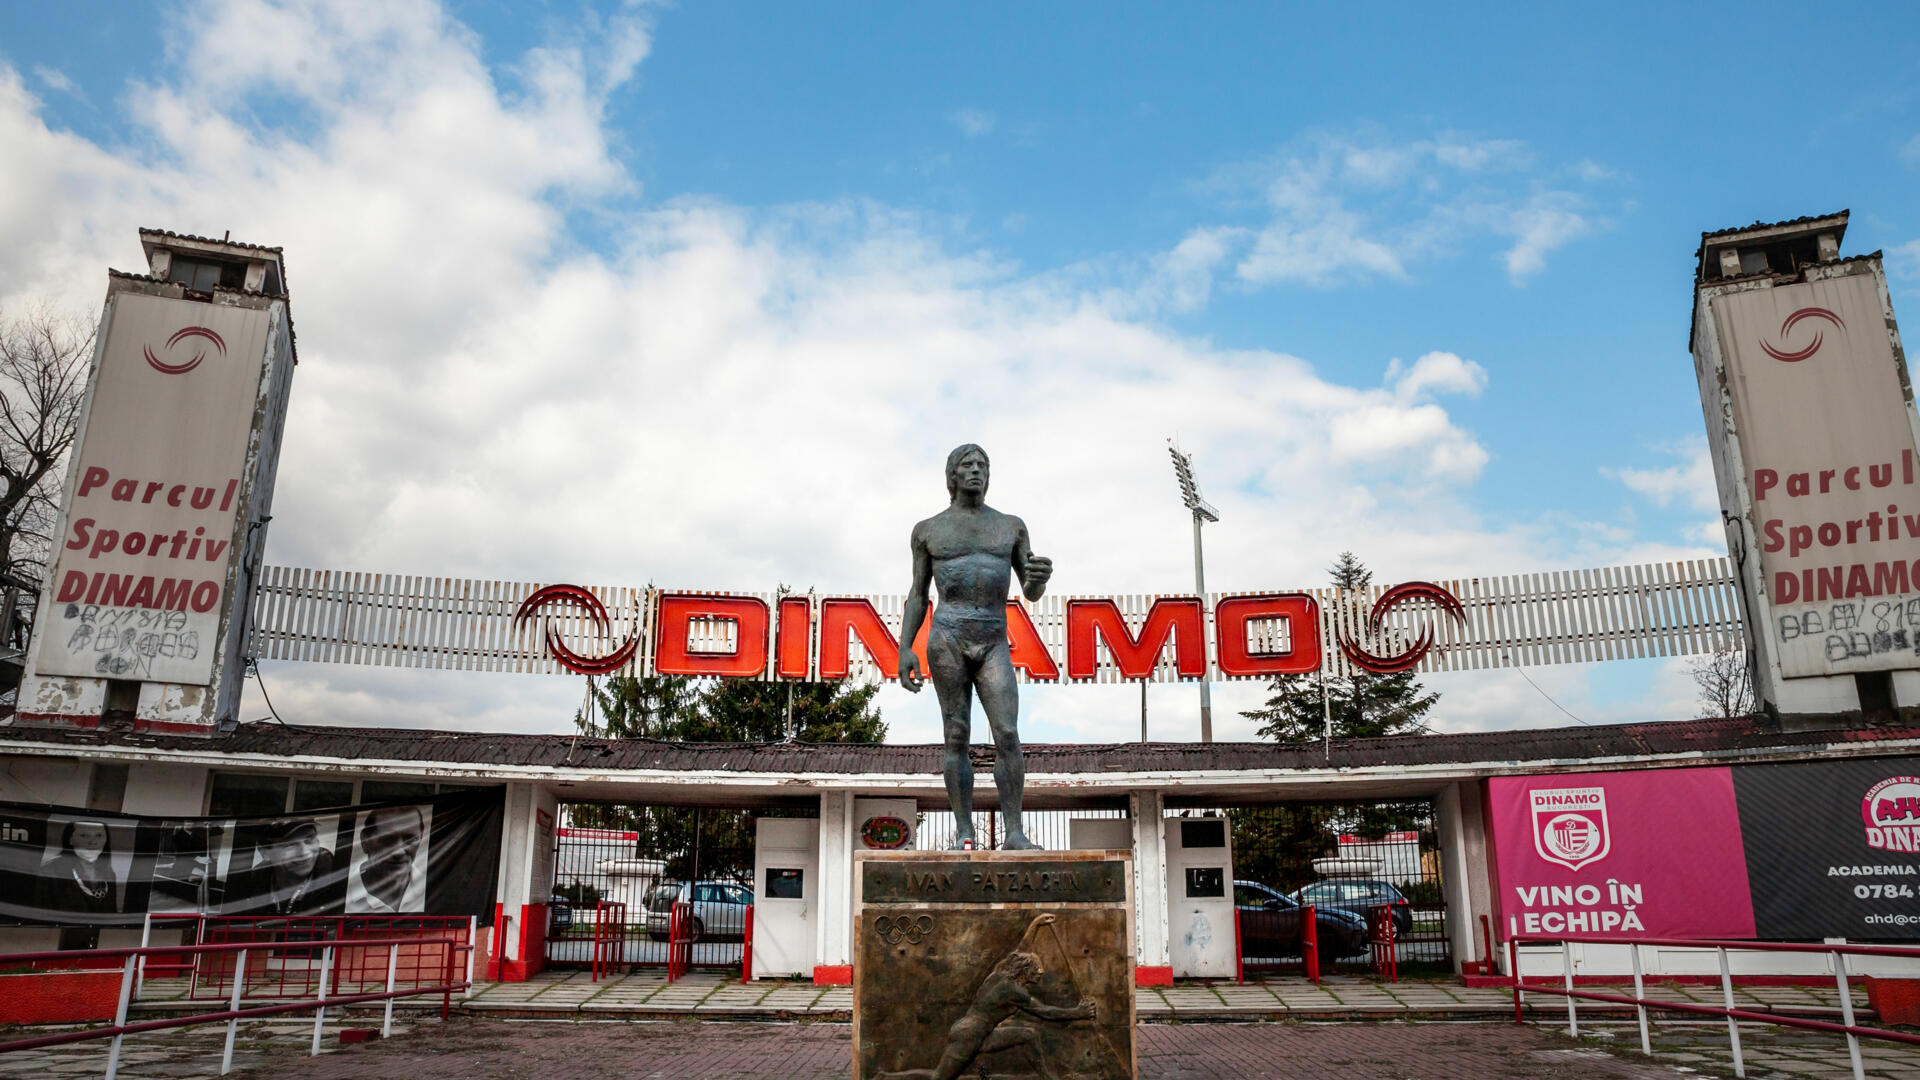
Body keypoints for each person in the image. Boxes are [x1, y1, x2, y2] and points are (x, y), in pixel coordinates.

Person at [898, 444, 1053, 850]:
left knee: (1008, 733)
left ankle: (1014, 833)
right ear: (952, 475)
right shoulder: (928, 530)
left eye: (982, 465)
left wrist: (1038, 579)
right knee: (956, 735)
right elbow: (918, 594)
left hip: (992, 639)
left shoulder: (1010, 527)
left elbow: (1030, 590)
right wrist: (904, 647)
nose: (976, 470)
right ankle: (964, 832)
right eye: (967, 464)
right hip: (947, 637)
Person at [874, 914, 1095, 1080]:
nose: (1040, 973)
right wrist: (1079, 1012)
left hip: (982, 1034)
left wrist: (1036, 924)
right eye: (1037, 970)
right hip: (969, 1035)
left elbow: (1022, 948)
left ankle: (1047, 1077)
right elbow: (1046, 1012)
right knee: (939, 1078)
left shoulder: (1001, 972)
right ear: (1025, 971)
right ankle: (888, 1078)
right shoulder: (1014, 991)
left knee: (1028, 1035)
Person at [36, 820, 118, 915]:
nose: (92, 842)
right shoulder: (50, 871)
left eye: (99, 835)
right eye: (84, 835)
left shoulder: (109, 874)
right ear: (70, 839)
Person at [353, 805, 425, 913]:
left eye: (410, 839)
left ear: (421, 838)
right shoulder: (343, 893)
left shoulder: (432, 888)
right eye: (387, 839)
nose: (399, 852)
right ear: (365, 841)